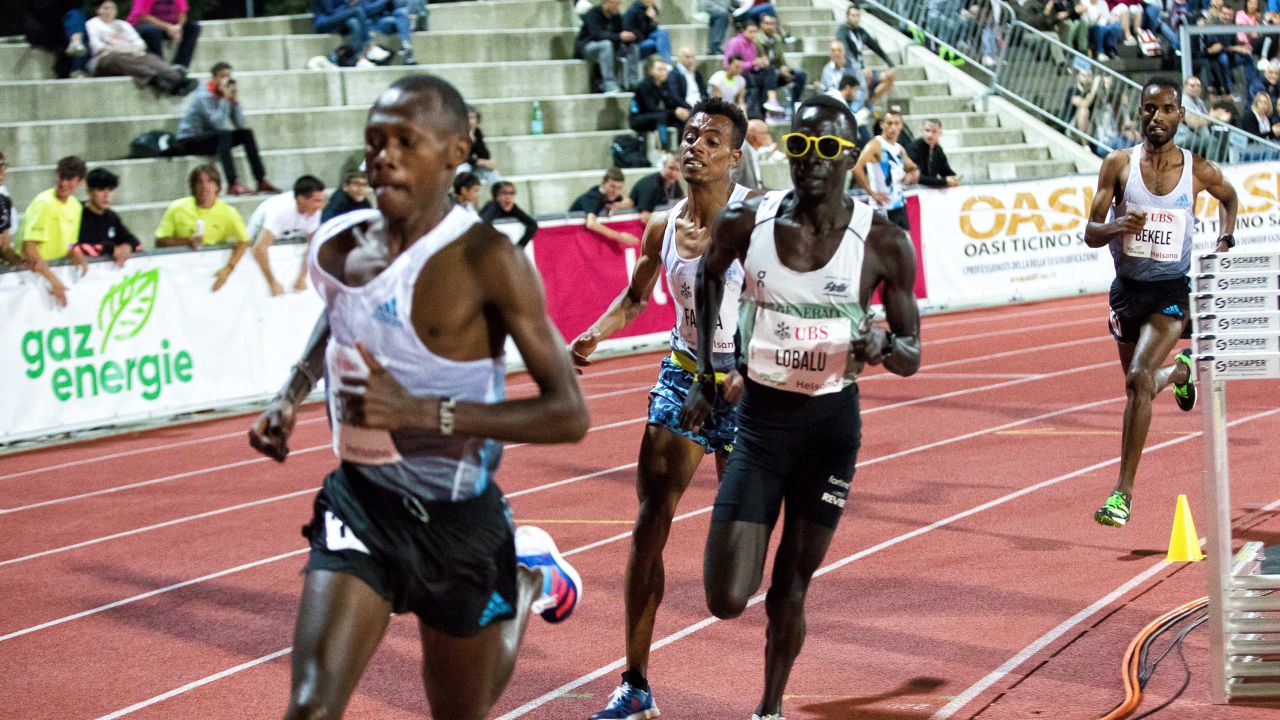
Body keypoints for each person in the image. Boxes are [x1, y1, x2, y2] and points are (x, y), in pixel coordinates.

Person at [245, 73, 588, 720]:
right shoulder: (338, 243)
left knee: (462, 711)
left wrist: (423, 413)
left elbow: (568, 413)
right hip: (364, 503)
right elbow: (340, 315)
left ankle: (526, 574)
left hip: (460, 522)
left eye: (406, 141)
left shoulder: (488, 259)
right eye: (374, 142)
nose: (384, 156)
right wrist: (290, 392)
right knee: (311, 709)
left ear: (458, 150)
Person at [679, 94, 921, 720]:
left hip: (829, 432)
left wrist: (884, 342)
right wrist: (710, 370)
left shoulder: (884, 241)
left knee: (791, 585)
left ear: (850, 155)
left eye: (827, 148)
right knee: (727, 597)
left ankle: (770, 706)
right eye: (799, 146)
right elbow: (708, 277)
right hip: (760, 429)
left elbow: (912, 354)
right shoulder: (747, 223)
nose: (811, 160)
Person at [570, 97, 751, 720]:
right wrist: (596, 332)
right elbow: (635, 296)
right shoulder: (661, 225)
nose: (694, 144)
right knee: (650, 526)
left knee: (738, 568)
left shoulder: (757, 221)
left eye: (710, 138)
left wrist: (748, 372)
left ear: (736, 154)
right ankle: (635, 684)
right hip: (683, 375)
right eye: (689, 133)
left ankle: (770, 683)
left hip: (746, 387)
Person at [1084, 78, 1238, 528]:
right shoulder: (1117, 164)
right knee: (1143, 387)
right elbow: (1091, 233)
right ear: (1140, 114)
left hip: (1171, 292)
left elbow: (1229, 196)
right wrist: (1117, 227)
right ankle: (1183, 371)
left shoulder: (1197, 169)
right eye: (1148, 109)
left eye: (1166, 109)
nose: (1156, 117)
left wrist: (1226, 238)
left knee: (1137, 380)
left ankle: (1122, 494)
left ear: (1180, 115)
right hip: (1126, 291)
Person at [172, 63, 281, 196]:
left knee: (246, 134)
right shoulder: (203, 96)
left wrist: (235, 102)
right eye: (222, 76)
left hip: (211, 138)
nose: (226, 80)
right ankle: (233, 183)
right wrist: (224, 99)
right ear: (214, 78)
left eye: (228, 76)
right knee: (224, 135)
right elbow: (216, 123)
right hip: (189, 139)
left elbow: (240, 124)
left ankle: (261, 180)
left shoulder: (225, 96)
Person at [154, 164, 250, 292]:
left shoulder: (229, 213)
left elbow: (244, 241)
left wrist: (228, 268)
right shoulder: (177, 208)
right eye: (199, 182)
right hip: (179, 276)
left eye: (210, 181)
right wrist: (187, 242)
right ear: (193, 187)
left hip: (213, 273)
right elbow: (159, 241)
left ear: (217, 186)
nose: (205, 186)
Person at [16, 156, 87, 307]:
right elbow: (29, 247)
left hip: (51, 275)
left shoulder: (76, 206)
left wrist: (75, 253)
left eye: (69, 178)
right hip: (32, 278)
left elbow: (69, 244)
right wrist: (53, 280)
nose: (63, 183)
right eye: (61, 176)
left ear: (81, 181)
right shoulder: (44, 203)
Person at [85, 0, 196, 96]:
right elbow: (97, 47)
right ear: (98, 10)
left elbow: (140, 43)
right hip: (105, 57)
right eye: (105, 8)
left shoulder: (123, 24)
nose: (109, 11)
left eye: (112, 8)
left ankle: (179, 80)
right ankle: (156, 78)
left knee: (151, 58)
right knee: (120, 59)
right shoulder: (92, 24)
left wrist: (132, 49)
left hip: (131, 53)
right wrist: (123, 49)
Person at [248, 176, 326, 296]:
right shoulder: (280, 210)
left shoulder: (314, 210)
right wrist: (272, 282)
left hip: (284, 237)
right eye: (317, 201)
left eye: (321, 201)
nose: (320, 206)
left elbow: (313, 245)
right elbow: (259, 249)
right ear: (301, 199)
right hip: (258, 241)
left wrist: (302, 277)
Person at [852, 109, 919, 230]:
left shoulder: (899, 148)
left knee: (904, 244)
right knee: (885, 247)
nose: (892, 127)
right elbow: (856, 167)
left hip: (899, 204)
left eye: (896, 123)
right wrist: (872, 193)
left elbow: (913, 167)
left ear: (901, 126)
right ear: (882, 124)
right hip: (882, 207)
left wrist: (913, 174)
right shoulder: (875, 144)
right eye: (889, 123)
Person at [73, 168, 140, 267]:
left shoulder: (111, 217)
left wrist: (128, 246)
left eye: (110, 190)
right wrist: (111, 249)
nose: (106, 195)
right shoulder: (77, 214)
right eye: (101, 190)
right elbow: (75, 247)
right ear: (89, 192)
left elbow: (133, 241)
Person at [836, 6, 896, 107]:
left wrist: (890, 64)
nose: (855, 18)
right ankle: (863, 102)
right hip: (849, 69)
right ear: (847, 17)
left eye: (857, 16)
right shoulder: (842, 31)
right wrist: (861, 69)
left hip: (861, 69)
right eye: (853, 15)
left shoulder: (861, 32)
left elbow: (876, 47)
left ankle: (870, 101)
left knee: (888, 77)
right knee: (864, 76)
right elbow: (846, 52)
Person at [575, 0, 637, 94]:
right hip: (588, 47)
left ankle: (633, 82)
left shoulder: (615, 16)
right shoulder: (592, 14)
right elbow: (597, 34)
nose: (617, 6)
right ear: (606, 2)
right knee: (606, 44)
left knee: (633, 47)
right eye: (615, 3)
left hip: (609, 47)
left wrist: (628, 37)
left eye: (618, 4)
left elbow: (621, 32)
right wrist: (619, 36)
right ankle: (608, 82)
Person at [630, 58, 690, 150]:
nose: (663, 72)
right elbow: (651, 108)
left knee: (681, 119)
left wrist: (687, 110)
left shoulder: (664, 84)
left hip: (655, 116)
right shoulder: (644, 86)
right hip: (638, 118)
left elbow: (672, 101)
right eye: (659, 69)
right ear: (651, 71)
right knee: (661, 116)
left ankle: (683, 149)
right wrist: (674, 112)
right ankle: (663, 151)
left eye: (665, 69)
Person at [570, 167, 639, 245]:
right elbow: (591, 223)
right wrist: (620, 237)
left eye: (619, 188)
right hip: (573, 238)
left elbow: (629, 202)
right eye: (612, 186)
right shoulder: (593, 197)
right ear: (603, 181)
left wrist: (619, 205)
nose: (615, 191)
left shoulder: (612, 195)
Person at [22, 0, 90, 78]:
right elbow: (44, 10)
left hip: (68, 28)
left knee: (76, 15)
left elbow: (77, 5)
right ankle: (76, 66)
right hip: (44, 29)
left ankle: (76, 44)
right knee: (75, 19)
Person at [127, 0, 201, 71]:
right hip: (143, 26)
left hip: (170, 27)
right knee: (152, 30)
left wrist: (178, 27)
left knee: (193, 27)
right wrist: (168, 27)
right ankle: (160, 65)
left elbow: (182, 13)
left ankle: (180, 65)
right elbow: (143, 16)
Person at [628, 154, 686, 224]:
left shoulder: (673, 183)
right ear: (663, 166)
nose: (673, 173)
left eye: (678, 170)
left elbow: (682, 201)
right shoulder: (651, 186)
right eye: (671, 168)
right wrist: (671, 220)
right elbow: (644, 217)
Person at [479, 181, 538, 248]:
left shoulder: (513, 208)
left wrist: (519, 248)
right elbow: (481, 225)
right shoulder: (493, 206)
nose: (508, 197)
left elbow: (533, 224)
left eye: (511, 193)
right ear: (496, 197)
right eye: (504, 193)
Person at [907, 118, 962, 188]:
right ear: (922, 130)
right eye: (927, 130)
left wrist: (954, 178)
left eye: (934, 131)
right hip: (914, 189)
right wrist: (944, 181)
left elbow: (945, 171)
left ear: (940, 133)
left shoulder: (938, 149)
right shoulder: (914, 148)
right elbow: (917, 177)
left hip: (930, 188)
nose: (930, 135)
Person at [668, 46, 708, 114]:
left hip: (700, 108)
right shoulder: (674, 74)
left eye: (693, 57)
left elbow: (703, 92)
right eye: (687, 57)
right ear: (679, 58)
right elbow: (675, 97)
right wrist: (690, 108)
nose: (691, 60)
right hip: (686, 109)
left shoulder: (696, 74)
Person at [0, 151, 22, 267]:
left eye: (3, 166)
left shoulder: (4, 196)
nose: (2, 172)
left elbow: (5, 247)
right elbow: (4, 247)